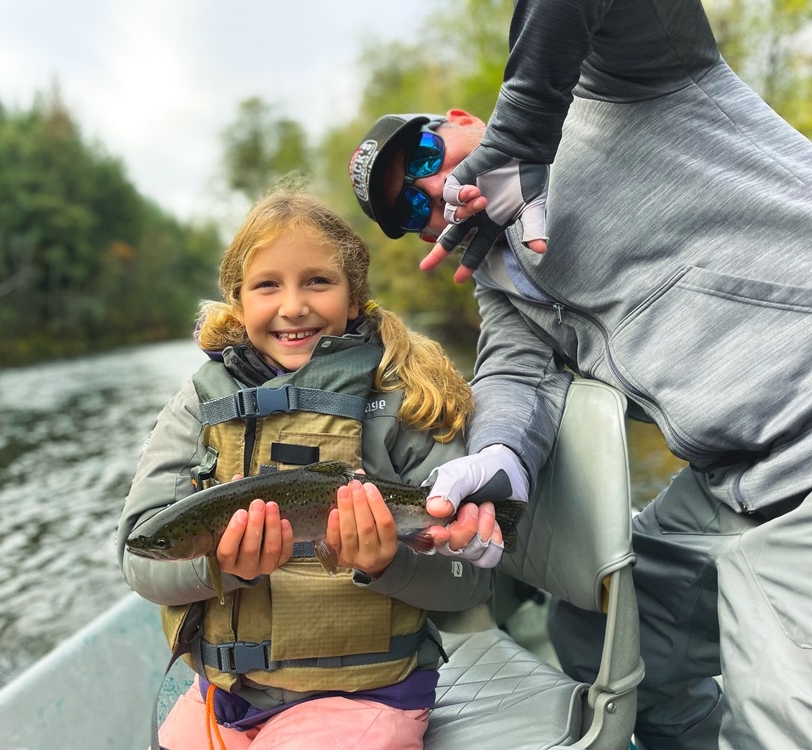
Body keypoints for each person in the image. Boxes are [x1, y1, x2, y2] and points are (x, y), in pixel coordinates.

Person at [348, 0, 812, 747]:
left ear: (462, 117)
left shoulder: (622, 80)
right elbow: (511, 382)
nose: (432, 191)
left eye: (427, 158)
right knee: (598, 628)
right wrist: (496, 458)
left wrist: (522, 137)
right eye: (409, 207)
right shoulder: (503, 288)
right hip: (735, 479)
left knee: (777, 727)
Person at [115, 186, 496, 750]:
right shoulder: (198, 404)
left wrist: (388, 561)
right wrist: (225, 567)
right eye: (268, 285)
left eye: (317, 280)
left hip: (366, 696)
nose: (293, 305)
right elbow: (141, 560)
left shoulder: (408, 400)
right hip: (226, 696)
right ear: (238, 300)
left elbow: (472, 584)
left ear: (353, 293)